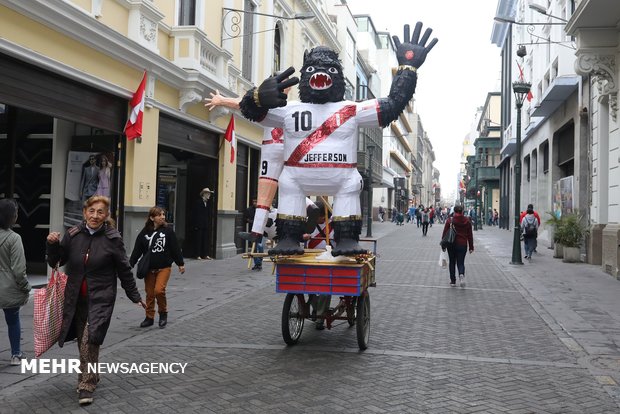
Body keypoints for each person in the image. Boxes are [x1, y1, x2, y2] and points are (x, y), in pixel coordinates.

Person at [239, 23, 437, 256]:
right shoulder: (288, 110)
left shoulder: (352, 110)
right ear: (303, 77)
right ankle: (288, 238)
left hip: (341, 179)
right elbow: (252, 112)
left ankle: (345, 240)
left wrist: (407, 69)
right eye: (311, 69)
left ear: (340, 78)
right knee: (291, 191)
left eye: (331, 71)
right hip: (296, 179)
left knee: (348, 189)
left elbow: (393, 105)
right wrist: (255, 97)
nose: (320, 75)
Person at [46, 195, 145, 406]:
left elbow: (125, 270)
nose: (95, 216)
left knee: (89, 339)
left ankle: (86, 384)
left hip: (101, 297)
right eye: (91, 211)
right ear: (84, 212)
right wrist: (52, 245)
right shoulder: (73, 235)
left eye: (100, 212)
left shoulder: (113, 239)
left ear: (106, 215)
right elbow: (57, 261)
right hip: (76, 298)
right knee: (86, 339)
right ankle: (94, 372)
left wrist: (134, 295)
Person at [130, 206, 185, 328]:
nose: (163, 217)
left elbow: (175, 248)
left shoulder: (168, 231)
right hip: (149, 268)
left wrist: (180, 263)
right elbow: (137, 251)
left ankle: (163, 313)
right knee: (149, 294)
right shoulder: (144, 233)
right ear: (152, 218)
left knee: (159, 291)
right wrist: (130, 264)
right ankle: (149, 317)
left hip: (164, 267)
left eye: (163, 215)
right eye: (159, 215)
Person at [0, 199, 30, 366]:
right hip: (8, 288)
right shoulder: (14, 238)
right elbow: (19, 269)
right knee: (13, 320)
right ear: (12, 217)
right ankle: (16, 354)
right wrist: (25, 287)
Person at [302, 199, 333, 330]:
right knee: (310, 288)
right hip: (311, 259)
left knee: (326, 290)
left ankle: (320, 316)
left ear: (324, 215)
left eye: (318, 216)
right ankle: (316, 310)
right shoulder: (309, 224)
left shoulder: (335, 226)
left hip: (329, 260)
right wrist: (303, 237)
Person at [441, 205, 474, 287]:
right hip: (462, 244)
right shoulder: (467, 221)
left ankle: (453, 281)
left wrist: (443, 245)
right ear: (462, 211)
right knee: (461, 262)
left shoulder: (450, 220)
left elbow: (445, 233)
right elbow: (470, 235)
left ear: (454, 211)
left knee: (452, 262)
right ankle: (461, 274)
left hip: (451, 244)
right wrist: (471, 247)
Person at [191, 188, 214, 260]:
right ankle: (197, 254)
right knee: (198, 240)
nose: (209, 195)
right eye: (208, 194)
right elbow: (195, 214)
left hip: (205, 224)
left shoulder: (208, 203)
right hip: (199, 224)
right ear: (204, 194)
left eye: (209, 194)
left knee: (205, 240)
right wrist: (196, 224)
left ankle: (205, 254)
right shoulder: (198, 202)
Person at [243, 199, 263, 271]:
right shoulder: (249, 210)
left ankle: (259, 262)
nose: (255, 203)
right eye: (253, 201)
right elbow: (245, 219)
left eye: (256, 201)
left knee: (260, 247)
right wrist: (250, 220)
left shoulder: (261, 210)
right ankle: (257, 264)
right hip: (253, 231)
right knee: (254, 248)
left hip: (260, 231)